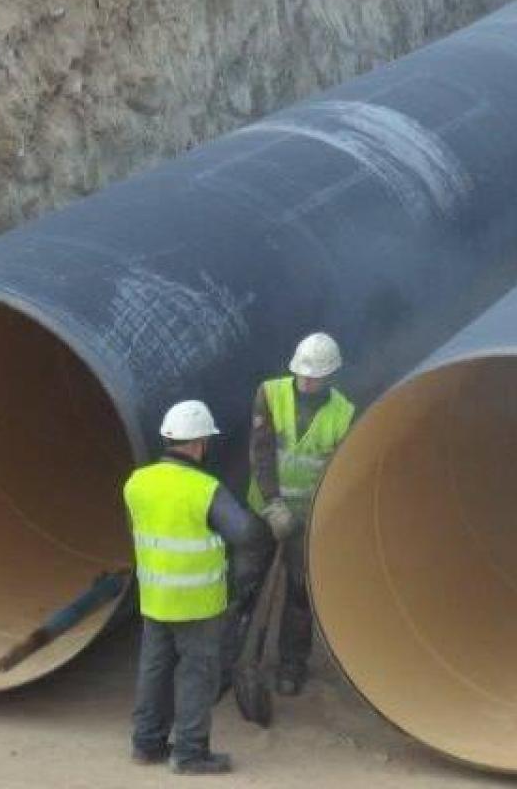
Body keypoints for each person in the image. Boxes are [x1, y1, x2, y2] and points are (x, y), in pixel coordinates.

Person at [124, 400, 269, 776]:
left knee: (154, 670)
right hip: (197, 604)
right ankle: (189, 754)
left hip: (155, 599)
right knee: (197, 676)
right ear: (200, 442)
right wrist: (268, 522)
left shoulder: (137, 482)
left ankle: (147, 744)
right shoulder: (204, 489)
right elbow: (244, 533)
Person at [247, 332, 356, 696]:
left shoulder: (343, 413)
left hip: (306, 518)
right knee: (245, 583)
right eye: (303, 374)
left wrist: (316, 516)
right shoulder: (270, 393)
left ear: (330, 376)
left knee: (298, 593)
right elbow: (261, 453)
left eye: (316, 376)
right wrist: (273, 504)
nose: (307, 381)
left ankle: (291, 665)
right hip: (264, 509)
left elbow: (338, 469)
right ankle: (234, 659)